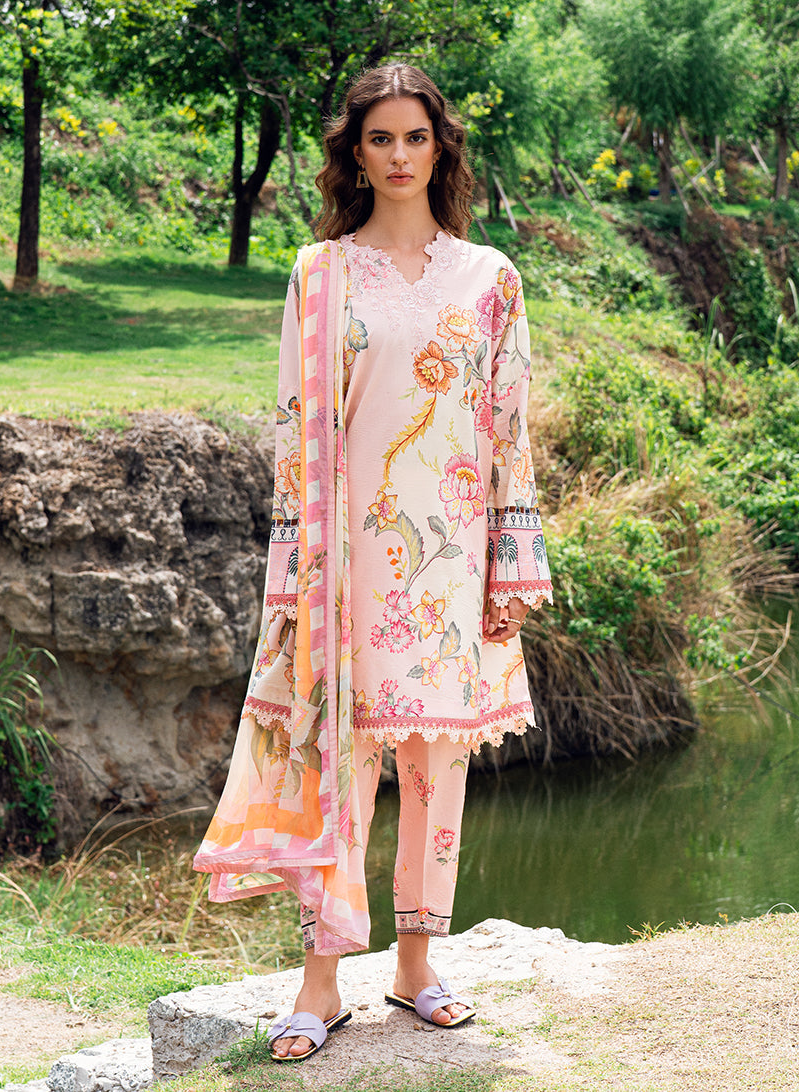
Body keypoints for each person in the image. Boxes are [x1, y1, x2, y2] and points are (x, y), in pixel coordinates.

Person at [193, 63, 553, 1061]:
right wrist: (292, 576)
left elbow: (509, 427)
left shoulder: (489, 278)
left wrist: (514, 564)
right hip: (345, 563)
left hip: (452, 560)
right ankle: (321, 983)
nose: (399, 156)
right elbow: (294, 429)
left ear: (442, 148)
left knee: (439, 762)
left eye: (415, 137)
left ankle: (417, 966)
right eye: (380, 138)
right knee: (338, 762)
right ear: (356, 153)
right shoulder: (322, 274)